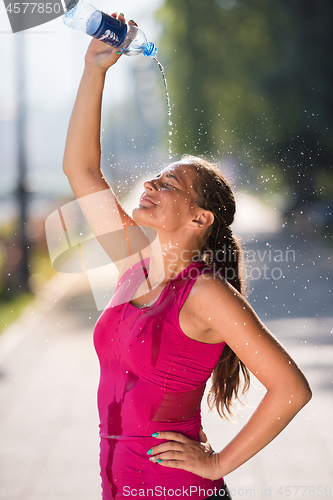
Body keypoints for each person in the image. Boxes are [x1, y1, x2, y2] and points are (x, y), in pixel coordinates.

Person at [62, 13, 312, 500]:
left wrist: (218, 461)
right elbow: (82, 169)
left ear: (200, 219)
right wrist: (95, 71)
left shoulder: (206, 293)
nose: (151, 183)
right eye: (156, 177)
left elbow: (292, 389)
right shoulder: (134, 262)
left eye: (169, 184)